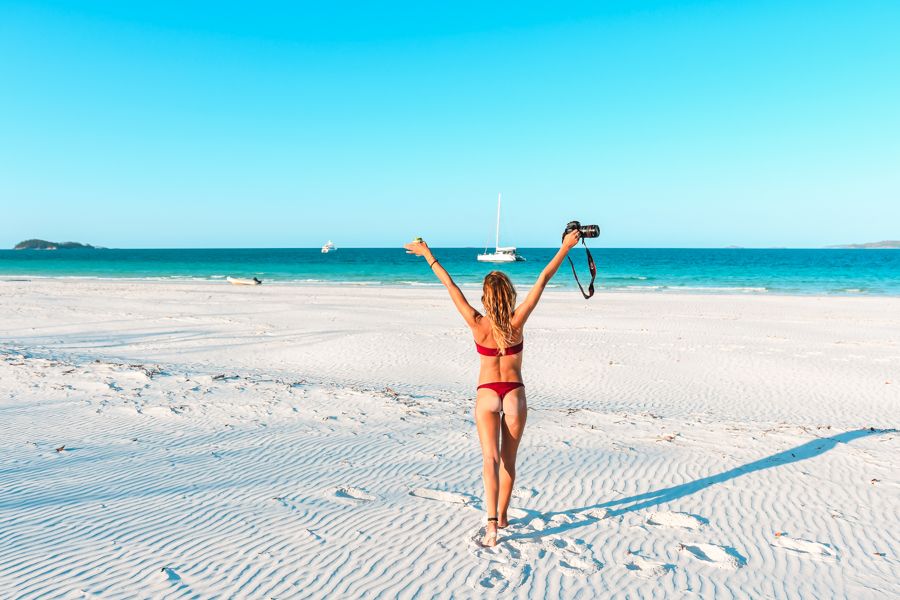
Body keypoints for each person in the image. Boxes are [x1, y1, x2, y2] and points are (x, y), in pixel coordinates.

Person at [404, 230, 582, 546]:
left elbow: (451, 287)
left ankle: (491, 525)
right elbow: (542, 279)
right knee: (508, 461)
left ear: (486, 297)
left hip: (487, 394)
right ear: (510, 295)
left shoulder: (476, 322)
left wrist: (427, 254)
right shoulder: (517, 321)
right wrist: (565, 247)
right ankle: (502, 515)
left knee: (490, 460)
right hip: (514, 393)